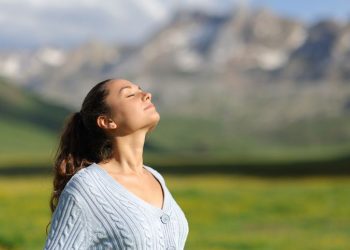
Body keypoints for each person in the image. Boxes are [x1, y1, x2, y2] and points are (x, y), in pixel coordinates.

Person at [44, 78, 189, 249]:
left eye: (141, 89)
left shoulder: (155, 177)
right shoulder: (87, 187)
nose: (146, 95)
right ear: (107, 121)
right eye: (130, 94)